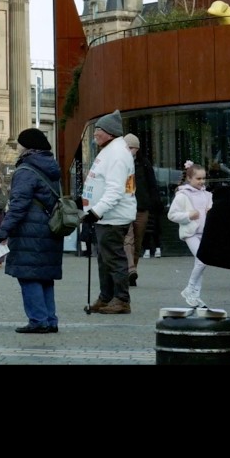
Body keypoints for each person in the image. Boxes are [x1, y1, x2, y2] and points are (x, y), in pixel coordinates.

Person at [0, 128, 64, 333]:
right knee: (45, 276)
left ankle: (38, 320)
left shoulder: (26, 171)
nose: (17, 147)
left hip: (29, 231)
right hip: (49, 228)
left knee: (29, 275)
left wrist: (3, 230)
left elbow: (18, 205)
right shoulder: (51, 168)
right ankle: (50, 320)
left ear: (27, 146)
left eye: (20, 143)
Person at [81, 110, 137, 314]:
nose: (96, 133)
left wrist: (95, 211)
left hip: (113, 217)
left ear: (111, 133)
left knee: (113, 259)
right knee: (104, 260)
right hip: (106, 217)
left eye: (100, 130)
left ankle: (121, 299)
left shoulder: (117, 154)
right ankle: (106, 297)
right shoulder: (110, 150)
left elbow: (115, 190)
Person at [167, 160, 213, 307]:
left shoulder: (207, 195)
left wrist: (211, 213)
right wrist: (188, 215)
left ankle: (195, 295)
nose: (202, 181)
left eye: (204, 178)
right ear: (189, 178)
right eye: (198, 178)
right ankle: (190, 289)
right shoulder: (182, 195)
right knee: (202, 261)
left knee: (200, 263)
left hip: (204, 233)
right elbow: (172, 215)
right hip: (191, 233)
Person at [123, 133, 163, 286]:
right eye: (126, 147)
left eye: (131, 148)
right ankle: (130, 269)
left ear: (137, 149)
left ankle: (131, 272)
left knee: (138, 241)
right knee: (128, 239)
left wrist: (154, 204)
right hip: (125, 207)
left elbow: (152, 185)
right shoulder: (120, 163)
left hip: (141, 207)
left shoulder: (144, 164)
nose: (128, 150)